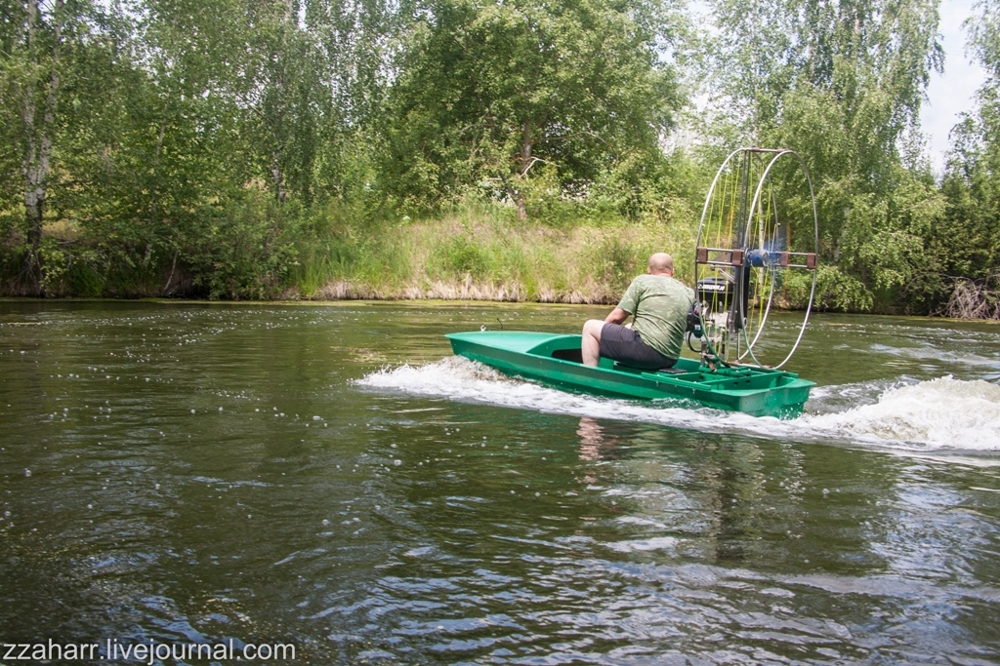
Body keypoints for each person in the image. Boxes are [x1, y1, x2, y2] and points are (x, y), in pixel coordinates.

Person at [581, 252, 695, 370]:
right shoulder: (688, 292)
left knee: (590, 327)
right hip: (670, 359)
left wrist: (603, 338)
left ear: (649, 270)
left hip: (645, 354)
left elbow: (616, 318)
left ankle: (590, 376)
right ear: (672, 271)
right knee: (630, 326)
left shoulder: (643, 281)